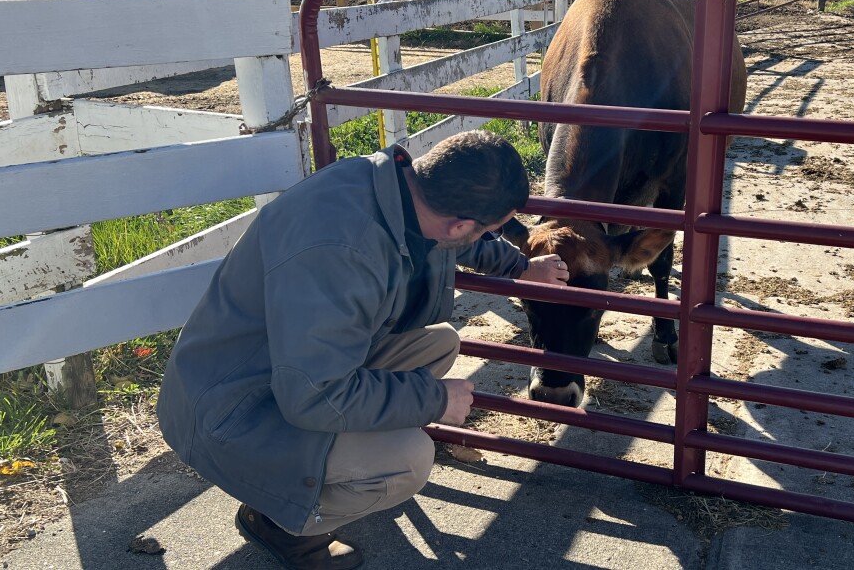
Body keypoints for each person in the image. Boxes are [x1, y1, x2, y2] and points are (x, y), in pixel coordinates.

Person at [157, 130, 569, 570]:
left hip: (276, 372)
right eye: (491, 229)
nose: (490, 237)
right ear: (461, 225)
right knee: (408, 461)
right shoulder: (342, 252)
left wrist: (521, 267)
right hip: (229, 414)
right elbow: (315, 396)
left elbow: (461, 241)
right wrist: (434, 401)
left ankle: (332, 468)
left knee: (438, 343)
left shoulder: (392, 187)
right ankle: (281, 522)